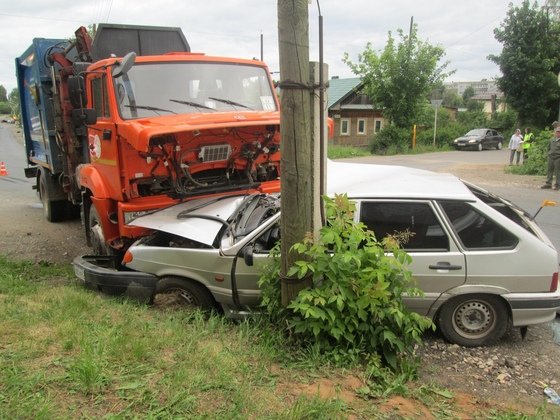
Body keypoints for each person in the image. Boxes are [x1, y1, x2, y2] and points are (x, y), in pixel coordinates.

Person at [541, 126, 560, 190]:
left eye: (559, 132)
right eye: (557, 132)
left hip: (558, 158)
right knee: (549, 170)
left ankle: (558, 184)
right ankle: (548, 183)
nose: (558, 133)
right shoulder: (552, 140)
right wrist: (549, 154)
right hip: (551, 157)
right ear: (555, 132)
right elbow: (548, 148)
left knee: (557, 171)